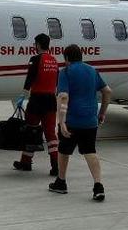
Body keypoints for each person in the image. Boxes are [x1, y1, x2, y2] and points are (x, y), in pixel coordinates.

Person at [48, 43, 111, 201]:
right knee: (90, 151)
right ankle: (98, 186)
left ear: (67, 58)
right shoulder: (92, 70)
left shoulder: (66, 72)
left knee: (64, 151)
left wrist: (61, 122)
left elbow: (63, 96)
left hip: (72, 120)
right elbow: (107, 91)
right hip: (90, 120)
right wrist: (102, 113)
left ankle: (61, 182)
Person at [13, 33, 60, 175]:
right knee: (51, 134)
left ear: (38, 44)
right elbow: (56, 82)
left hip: (37, 100)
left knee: (31, 131)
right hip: (51, 101)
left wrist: (23, 95)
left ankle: (26, 162)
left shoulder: (35, 59)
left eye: (35, 44)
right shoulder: (54, 61)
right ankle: (55, 165)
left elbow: (30, 79)